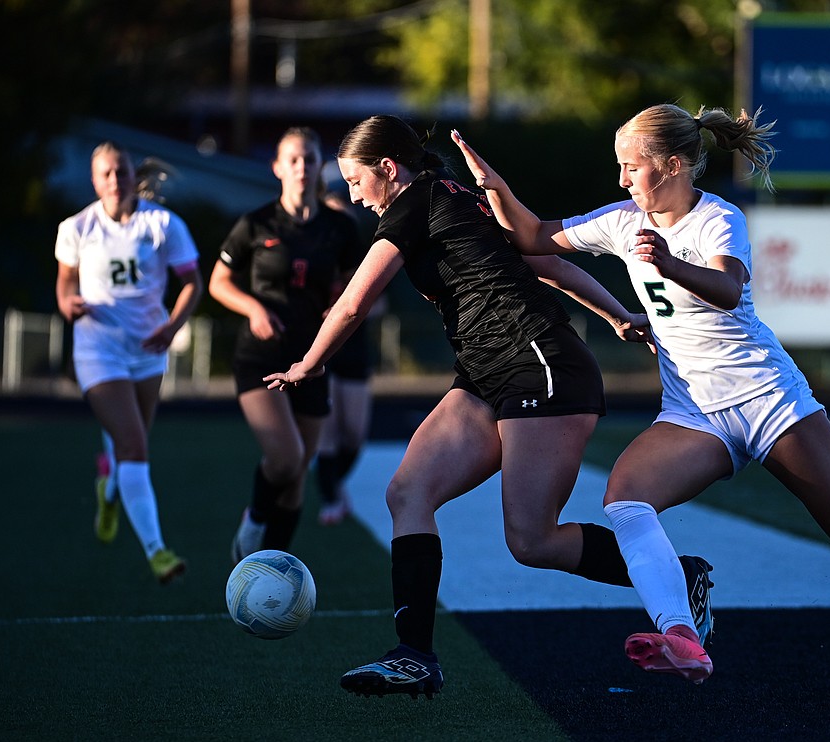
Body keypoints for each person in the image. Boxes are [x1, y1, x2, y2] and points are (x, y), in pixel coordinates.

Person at [452, 103, 830, 683]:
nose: (622, 180)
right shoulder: (624, 220)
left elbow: (726, 288)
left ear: (673, 165)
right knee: (625, 499)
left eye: (631, 167)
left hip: (770, 400)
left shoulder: (719, 218)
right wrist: (496, 189)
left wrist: (669, 263)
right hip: (694, 412)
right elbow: (532, 237)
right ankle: (681, 634)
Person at [264, 114, 713, 700]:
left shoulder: (419, 199)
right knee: (407, 493)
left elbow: (353, 303)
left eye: (355, 181)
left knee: (531, 541)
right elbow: (542, 262)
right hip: (486, 372)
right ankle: (414, 657)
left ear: (388, 170)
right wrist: (615, 315)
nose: (352, 195)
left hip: (541, 366)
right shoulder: (453, 197)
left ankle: (684, 579)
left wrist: (308, 362)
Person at [209, 127, 362, 561]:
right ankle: (255, 517)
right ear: (277, 167)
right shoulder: (255, 224)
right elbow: (219, 283)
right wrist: (255, 310)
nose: (301, 167)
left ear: (319, 167)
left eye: (309, 159)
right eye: (293, 159)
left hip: (311, 358)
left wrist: (337, 307)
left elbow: (356, 286)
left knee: (297, 477)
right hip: (261, 356)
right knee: (286, 457)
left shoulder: (340, 229)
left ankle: (272, 569)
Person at [55, 141, 203, 584]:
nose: (115, 181)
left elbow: (193, 283)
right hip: (97, 349)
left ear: (131, 173)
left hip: (149, 351)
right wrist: (69, 305)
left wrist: (173, 327)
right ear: (94, 180)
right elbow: (64, 285)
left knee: (129, 447)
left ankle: (110, 489)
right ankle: (158, 552)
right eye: (105, 174)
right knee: (135, 445)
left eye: (120, 171)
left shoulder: (163, 224)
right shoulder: (77, 227)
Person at [313, 181, 380, 526]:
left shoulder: (368, 252)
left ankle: (334, 484)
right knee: (328, 428)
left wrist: (357, 306)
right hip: (321, 347)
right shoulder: (314, 250)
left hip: (354, 345)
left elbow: (379, 301)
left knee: (354, 432)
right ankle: (330, 497)